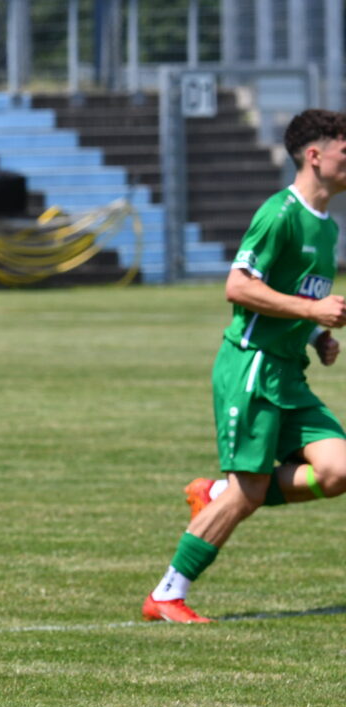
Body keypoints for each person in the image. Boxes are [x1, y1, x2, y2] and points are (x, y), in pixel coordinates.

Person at [142, 108, 346, 624]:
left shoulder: (325, 228)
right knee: (249, 493)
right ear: (314, 155)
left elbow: (293, 293)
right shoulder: (279, 213)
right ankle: (167, 593)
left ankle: (215, 493)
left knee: (339, 470)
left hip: (287, 373)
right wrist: (313, 311)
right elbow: (239, 287)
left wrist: (318, 334)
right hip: (252, 368)